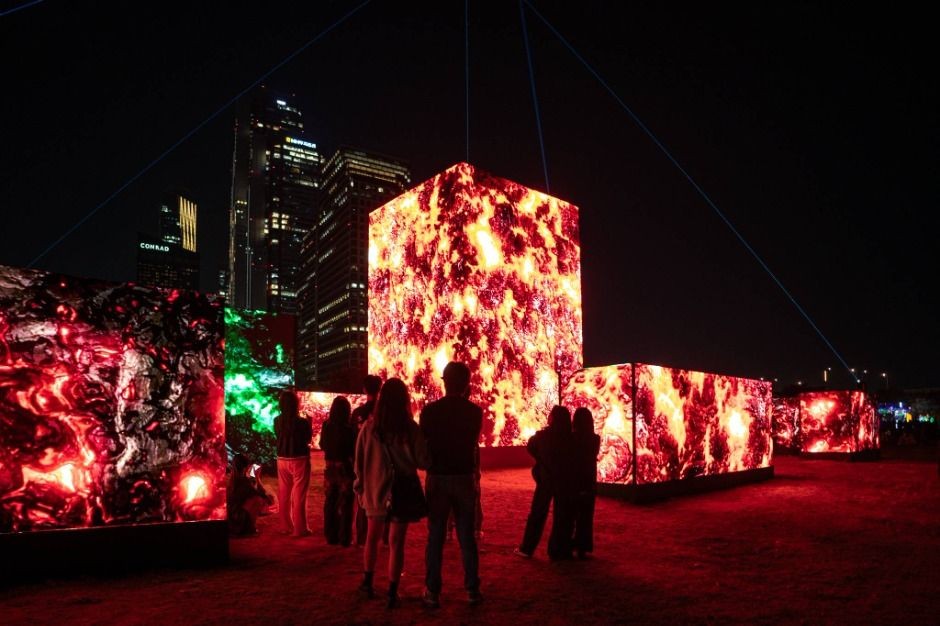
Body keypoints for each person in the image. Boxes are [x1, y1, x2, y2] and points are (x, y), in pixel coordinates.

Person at [353, 378, 429, 609]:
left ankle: (367, 583)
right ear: (404, 400)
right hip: (402, 491)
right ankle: (392, 592)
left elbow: (359, 461)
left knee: (372, 538)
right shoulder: (411, 429)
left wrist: (360, 486)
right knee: (397, 543)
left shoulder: (369, 428)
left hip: (376, 488)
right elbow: (423, 461)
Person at [420, 361, 484, 608]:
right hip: (464, 477)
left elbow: (424, 443)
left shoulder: (429, 412)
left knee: (435, 535)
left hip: (438, 477)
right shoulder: (474, 412)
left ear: (444, 382)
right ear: (467, 384)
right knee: (467, 536)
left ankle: (432, 591)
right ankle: (472, 590)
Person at [515, 405, 575, 560]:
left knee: (537, 513)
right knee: (563, 516)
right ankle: (558, 551)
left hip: (546, 480)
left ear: (553, 418)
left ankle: (527, 548)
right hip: (565, 481)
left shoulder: (542, 436)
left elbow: (531, 447)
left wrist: (540, 460)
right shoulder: (571, 438)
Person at [274, 389, 312, 537]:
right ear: (296, 404)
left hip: (282, 459)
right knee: (299, 494)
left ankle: (285, 526)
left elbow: (278, 436)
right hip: (299, 459)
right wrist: (309, 423)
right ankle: (299, 529)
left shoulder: (277, 420)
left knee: (284, 494)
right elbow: (307, 439)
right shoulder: (302, 422)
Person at [319, 396, 355, 546]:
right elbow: (352, 449)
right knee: (346, 503)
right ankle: (345, 537)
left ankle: (330, 535)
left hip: (330, 467)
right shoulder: (349, 428)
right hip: (344, 467)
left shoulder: (326, 425)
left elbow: (322, 444)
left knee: (330, 501)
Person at [351, 374, 382, 546]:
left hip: (361, 461)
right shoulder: (384, 413)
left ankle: (362, 537)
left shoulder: (358, 413)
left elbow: (351, 438)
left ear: (364, 389)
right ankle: (384, 537)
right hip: (381, 462)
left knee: (363, 500)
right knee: (384, 498)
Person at [571, 407, 601, 559]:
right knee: (587, 515)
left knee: (572, 514)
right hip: (589, 480)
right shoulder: (595, 439)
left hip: (575, 479)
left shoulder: (571, 438)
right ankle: (583, 546)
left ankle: (570, 543)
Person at [227, 453, 271, 536]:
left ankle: (246, 527)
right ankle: (249, 529)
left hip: (231, 520)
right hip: (237, 521)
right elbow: (263, 496)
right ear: (245, 468)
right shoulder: (244, 482)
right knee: (258, 500)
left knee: (253, 499)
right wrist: (257, 477)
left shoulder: (232, 480)